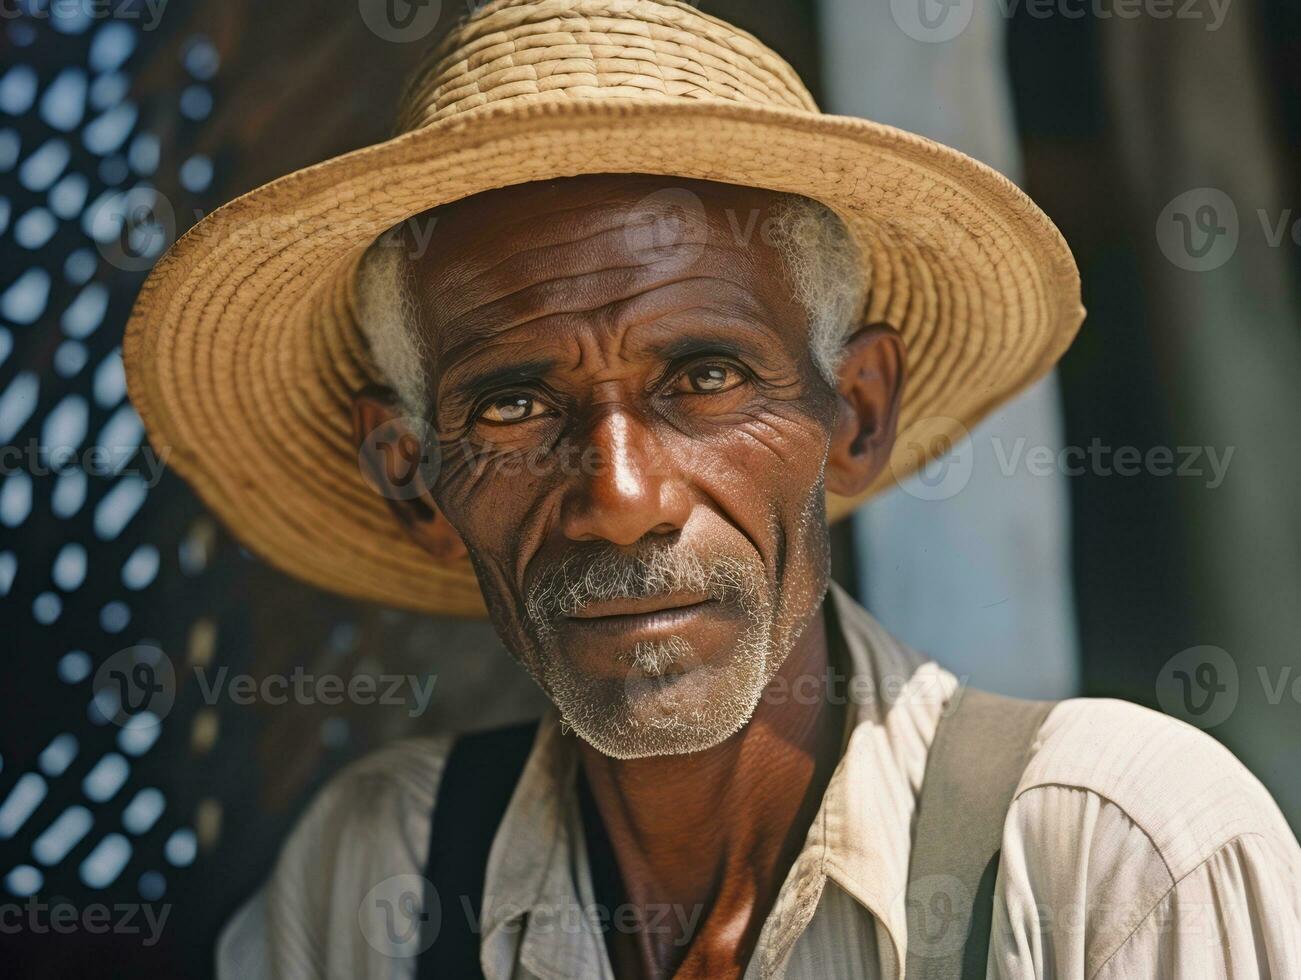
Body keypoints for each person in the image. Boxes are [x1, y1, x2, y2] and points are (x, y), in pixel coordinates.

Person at [123, 1, 1300, 977]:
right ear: (413, 479)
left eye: (704, 375)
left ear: (856, 412)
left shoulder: (1114, 852)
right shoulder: (377, 876)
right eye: (514, 405)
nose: (621, 494)